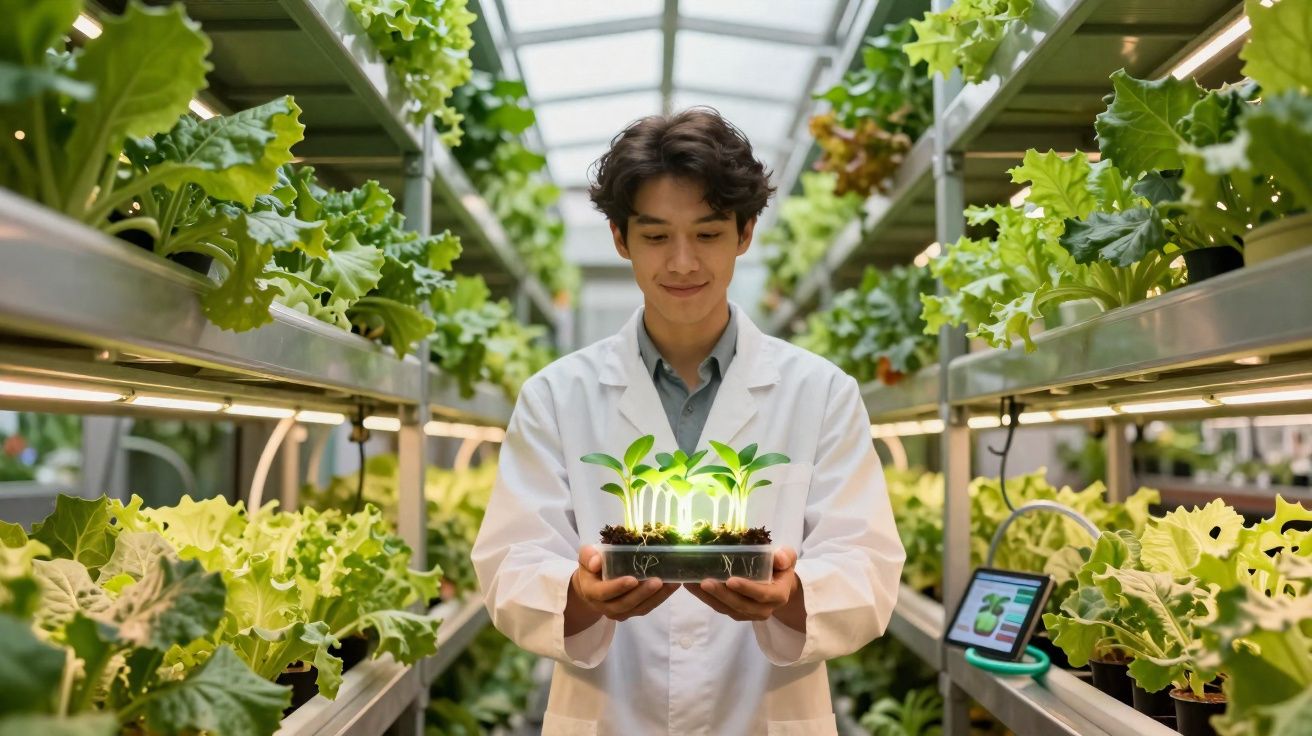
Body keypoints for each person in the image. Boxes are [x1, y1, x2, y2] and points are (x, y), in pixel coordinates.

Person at [472, 108, 904, 736]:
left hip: (764, 714)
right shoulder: (555, 395)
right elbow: (511, 562)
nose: (681, 263)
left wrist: (791, 593)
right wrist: (577, 593)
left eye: (706, 234)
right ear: (620, 239)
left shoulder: (822, 392)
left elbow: (866, 562)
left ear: (745, 233)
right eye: (654, 236)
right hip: (609, 715)